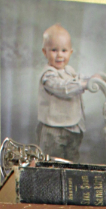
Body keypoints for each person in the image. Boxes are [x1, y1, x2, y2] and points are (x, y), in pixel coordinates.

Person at [36, 23, 89, 164]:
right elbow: (63, 88)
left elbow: (78, 79)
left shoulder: (69, 71)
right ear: (45, 52)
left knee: (71, 161)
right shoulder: (48, 75)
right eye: (54, 50)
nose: (59, 55)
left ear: (70, 52)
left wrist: (90, 80)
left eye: (64, 50)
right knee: (53, 162)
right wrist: (82, 85)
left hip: (73, 126)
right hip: (54, 129)